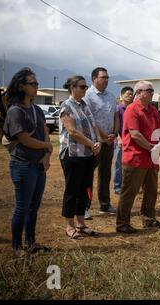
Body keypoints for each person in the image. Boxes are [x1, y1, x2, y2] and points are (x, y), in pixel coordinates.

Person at [3, 68, 52, 257]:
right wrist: (46, 146)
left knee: (34, 207)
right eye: (33, 84)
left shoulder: (36, 109)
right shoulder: (15, 111)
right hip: (23, 165)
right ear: (22, 86)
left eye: (37, 83)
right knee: (22, 207)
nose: (36, 86)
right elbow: (23, 139)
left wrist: (46, 155)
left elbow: (45, 130)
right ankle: (17, 247)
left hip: (39, 165)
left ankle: (30, 242)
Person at [116, 81, 160, 234]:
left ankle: (148, 219)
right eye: (148, 90)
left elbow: (159, 130)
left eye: (152, 90)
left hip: (151, 158)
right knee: (129, 192)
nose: (151, 92)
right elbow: (135, 134)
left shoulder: (153, 110)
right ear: (139, 92)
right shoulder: (132, 109)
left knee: (151, 191)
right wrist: (152, 147)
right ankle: (122, 223)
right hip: (135, 158)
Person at [59, 76, 101, 239]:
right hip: (73, 155)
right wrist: (92, 144)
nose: (85, 90)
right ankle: (70, 226)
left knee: (84, 190)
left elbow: (93, 124)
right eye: (82, 87)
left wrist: (98, 142)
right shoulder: (66, 106)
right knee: (72, 190)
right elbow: (72, 131)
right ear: (72, 88)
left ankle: (81, 224)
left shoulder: (84, 104)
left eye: (85, 87)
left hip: (87, 154)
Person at [84, 67, 119, 217]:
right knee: (87, 174)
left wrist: (114, 134)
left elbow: (116, 116)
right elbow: (89, 119)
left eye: (107, 77)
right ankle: (84, 207)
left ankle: (105, 204)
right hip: (94, 142)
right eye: (103, 77)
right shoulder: (88, 96)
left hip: (109, 142)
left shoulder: (111, 96)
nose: (106, 80)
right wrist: (103, 136)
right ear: (94, 79)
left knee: (105, 174)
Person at [113, 86, 134, 195]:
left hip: (131, 142)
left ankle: (127, 185)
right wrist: (119, 139)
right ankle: (117, 187)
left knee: (129, 165)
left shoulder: (132, 109)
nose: (130, 96)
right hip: (120, 142)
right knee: (118, 165)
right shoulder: (118, 109)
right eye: (128, 94)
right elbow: (115, 126)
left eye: (131, 94)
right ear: (122, 96)